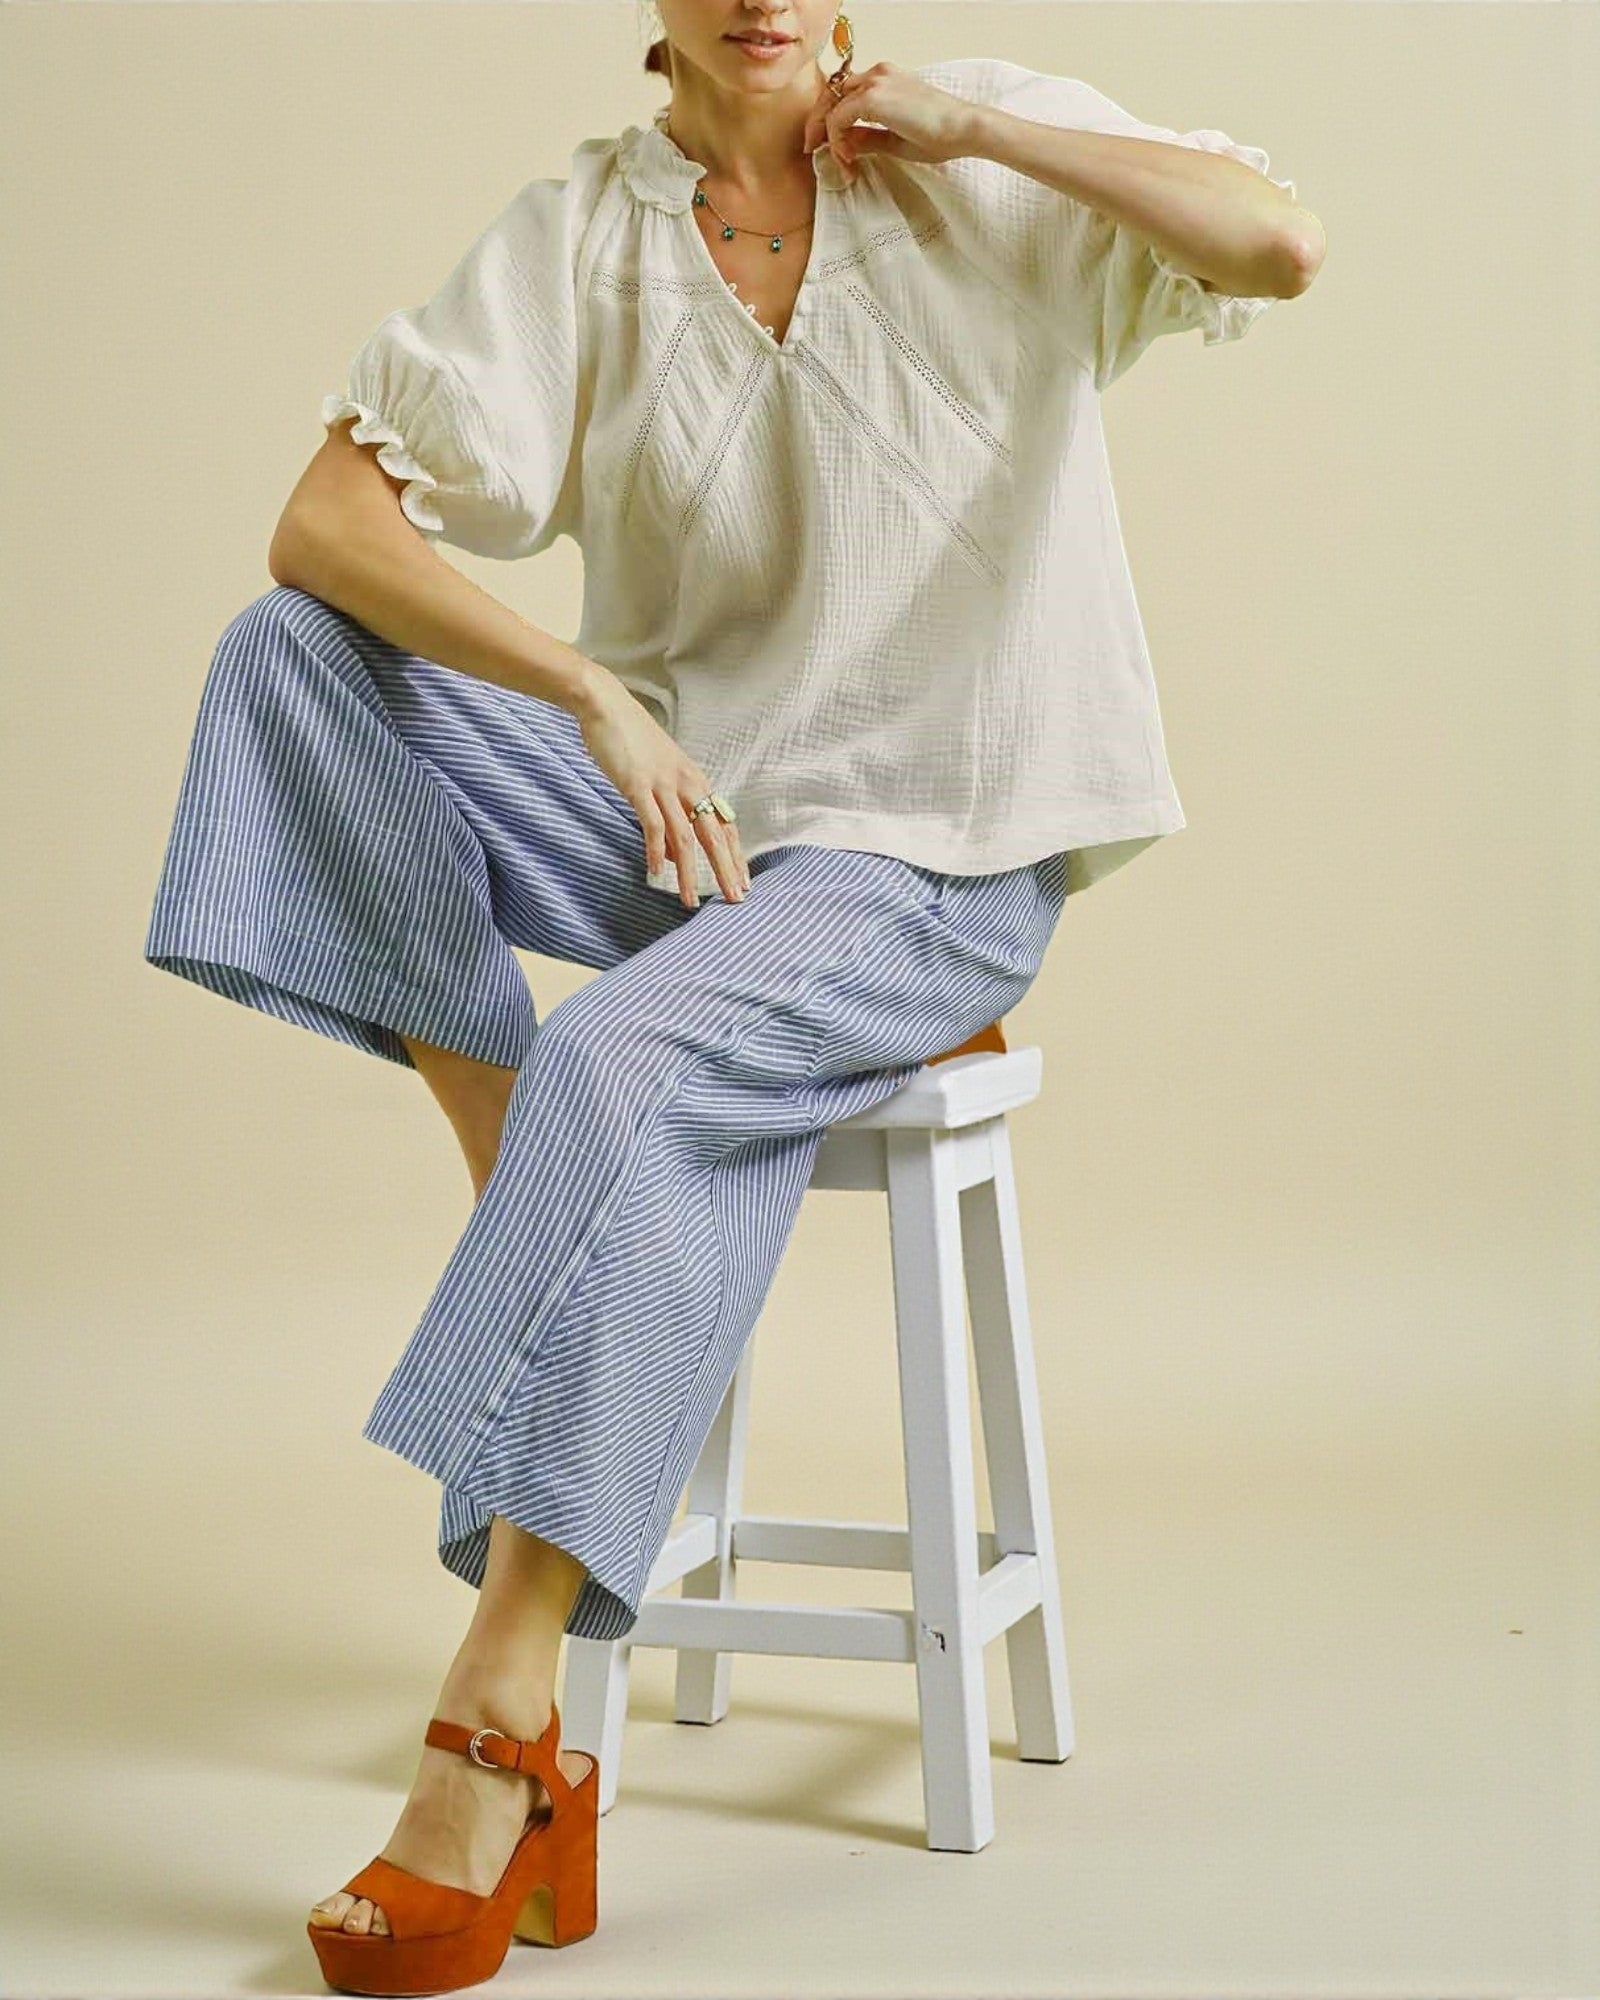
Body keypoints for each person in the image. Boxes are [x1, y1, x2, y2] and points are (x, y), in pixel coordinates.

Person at [141, 3, 1318, 1991]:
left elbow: (1269, 243)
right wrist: (585, 690)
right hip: (697, 830)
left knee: (629, 1053)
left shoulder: (987, 148)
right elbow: (320, 528)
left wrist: (967, 127)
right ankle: (516, 1130)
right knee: (288, 655)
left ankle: (503, 1713)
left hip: (935, 853)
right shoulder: (587, 228)